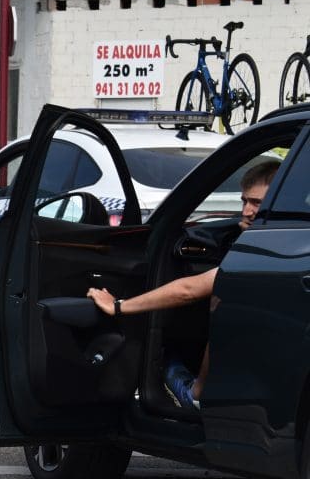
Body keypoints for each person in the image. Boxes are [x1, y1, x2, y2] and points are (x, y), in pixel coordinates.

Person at [87, 159, 280, 409]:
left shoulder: (265, 248)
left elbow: (187, 291)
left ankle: (196, 394)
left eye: (257, 203)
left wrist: (119, 306)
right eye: (244, 201)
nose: (246, 211)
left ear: (280, 202)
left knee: (224, 304)